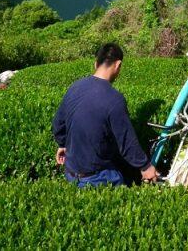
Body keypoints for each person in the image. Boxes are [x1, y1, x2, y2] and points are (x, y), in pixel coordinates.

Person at [51, 43, 158, 187]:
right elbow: (126, 143)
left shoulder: (75, 87)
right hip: (97, 179)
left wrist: (62, 144)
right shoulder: (115, 99)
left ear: (96, 63)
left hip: (71, 174)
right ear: (118, 65)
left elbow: (58, 124)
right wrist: (146, 167)